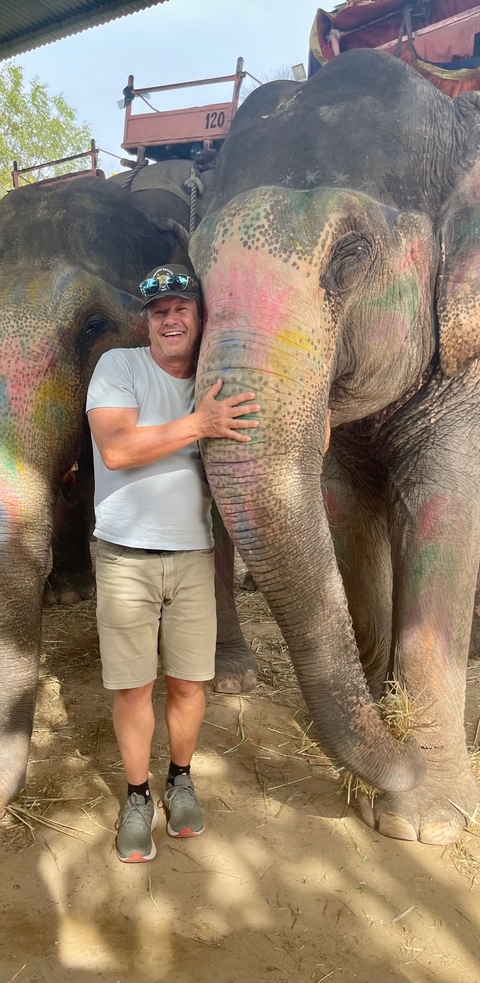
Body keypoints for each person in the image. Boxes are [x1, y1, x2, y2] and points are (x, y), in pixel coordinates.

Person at [86, 264, 259, 863]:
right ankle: (137, 795)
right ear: (146, 322)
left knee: (188, 682)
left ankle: (180, 779)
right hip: (124, 557)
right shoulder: (120, 368)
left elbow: (284, 437)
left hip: (192, 558)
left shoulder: (217, 379)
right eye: (159, 311)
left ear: (200, 316)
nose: (170, 318)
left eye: (182, 307)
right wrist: (200, 424)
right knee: (135, 688)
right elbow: (116, 447)